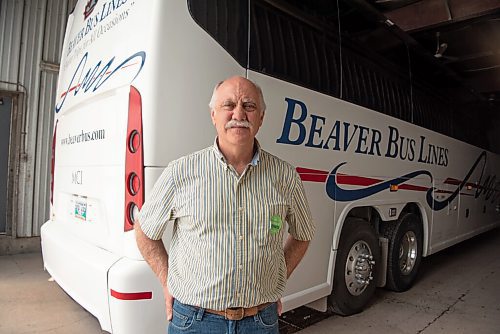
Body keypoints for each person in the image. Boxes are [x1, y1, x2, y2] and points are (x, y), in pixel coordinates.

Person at [135, 76, 314, 334]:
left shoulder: (285, 177)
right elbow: (144, 230)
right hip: (194, 322)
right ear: (213, 115)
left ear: (261, 118)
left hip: (260, 322)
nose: (238, 113)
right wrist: (166, 281)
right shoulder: (181, 172)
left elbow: (303, 233)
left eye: (249, 106)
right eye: (228, 105)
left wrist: (276, 278)